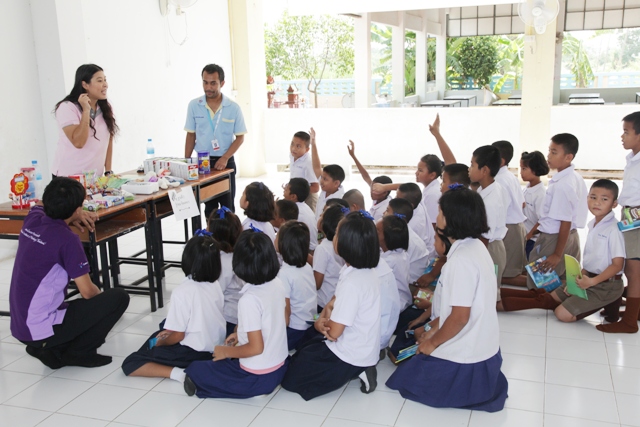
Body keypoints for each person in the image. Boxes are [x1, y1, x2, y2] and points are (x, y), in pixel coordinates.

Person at [386, 187, 508, 413]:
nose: (437, 216)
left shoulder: (460, 260)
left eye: (440, 212)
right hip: (484, 346)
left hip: (469, 353)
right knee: (409, 356)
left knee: (406, 380)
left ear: (452, 219)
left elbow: (460, 317)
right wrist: (431, 328)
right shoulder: (476, 246)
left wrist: (432, 343)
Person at [10, 177, 129, 369]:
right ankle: (78, 353)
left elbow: (40, 203)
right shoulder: (67, 240)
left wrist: (74, 214)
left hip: (20, 324)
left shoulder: (33, 219)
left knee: (72, 307)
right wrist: (102, 305)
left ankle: (49, 348)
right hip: (39, 326)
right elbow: (87, 292)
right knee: (118, 298)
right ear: (76, 209)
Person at [282, 211, 382, 400]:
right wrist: (325, 314)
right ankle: (362, 365)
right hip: (357, 342)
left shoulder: (353, 283)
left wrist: (322, 324)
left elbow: (334, 332)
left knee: (291, 378)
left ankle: (359, 369)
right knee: (305, 349)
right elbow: (335, 301)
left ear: (347, 244)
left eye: (337, 234)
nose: (333, 237)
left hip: (349, 353)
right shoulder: (361, 271)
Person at [501, 180, 625, 323]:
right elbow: (593, 261)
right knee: (547, 297)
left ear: (614, 204)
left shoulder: (614, 229)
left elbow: (617, 265)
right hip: (588, 279)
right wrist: (578, 280)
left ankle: (611, 300)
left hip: (605, 285)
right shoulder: (594, 224)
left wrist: (592, 282)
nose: (597, 202)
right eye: (593, 197)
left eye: (604, 199)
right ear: (587, 198)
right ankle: (498, 297)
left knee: (562, 314)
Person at [184, 230, 288, 398]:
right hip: (280, 367)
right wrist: (240, 334)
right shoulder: (277, 284)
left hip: (257, 377)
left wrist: (226, 352)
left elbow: (256, 348)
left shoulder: (249, 300)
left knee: (196, 369)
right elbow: (272, 322)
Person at [122, 233, 225, 381]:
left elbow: (178, 336)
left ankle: (181, 374)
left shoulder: (182, 291)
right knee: (160, 332)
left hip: (192, 352)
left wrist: (162, 343)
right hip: (215, 346)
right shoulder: (215, 284)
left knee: (131, 362)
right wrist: (169, 332)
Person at [524, 134, 588, 290]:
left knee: (540, 287)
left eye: (554, 152)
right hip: (570, 237)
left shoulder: (563, 185)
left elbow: (565, 221)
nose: (549, 156)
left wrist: (557, 255)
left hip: (555, 239)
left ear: (568, 157)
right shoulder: (574, 177)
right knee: (565, 284)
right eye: (549, 151)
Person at [184, 64, 247, 218]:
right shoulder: (194, 105)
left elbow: (240, 137)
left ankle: (229, 233)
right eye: (205, 82)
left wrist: (225, 157)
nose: (208, 87)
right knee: (209, 208)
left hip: (226, 162)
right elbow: (191, 135)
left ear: (222, 83)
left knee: (227, 207)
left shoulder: (233, 107)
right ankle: (210, 232)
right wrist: (186, 161)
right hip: (203, 162)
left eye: (213, 83)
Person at [597, 112, 640, 333]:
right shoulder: (632, 158)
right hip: (630, 215)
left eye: (626, 132)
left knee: (633, 270)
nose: (622, 136)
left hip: (637, 216)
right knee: (631, 267)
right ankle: (635, 311)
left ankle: (630, 322)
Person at [53, 64, 118, 177]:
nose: (105, 85)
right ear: (85, 85)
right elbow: (79, 142)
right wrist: (86, 111)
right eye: (99, 81)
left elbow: (108, 140)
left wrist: (108, 171)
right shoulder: (67, 107)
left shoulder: (105, 108)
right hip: (68, 178)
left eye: (105, 80)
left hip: (94, 179)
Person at [469, 146, 508, 300]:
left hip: (489, 249)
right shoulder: (487, 188)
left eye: (472, 165)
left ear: (484, 170)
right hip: (488, 246)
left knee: (487, 296)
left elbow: (485, 236)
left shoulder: (491, 200)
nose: (469, 169)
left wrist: (475, 260)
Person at [276, 221, 317, 350]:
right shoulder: (307, 266)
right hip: (309, 323)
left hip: (294, 328)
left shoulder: (284, 274)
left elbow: (286, 312)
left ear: (283, 244)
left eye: (277, 236)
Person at [492, 141, 527, 286]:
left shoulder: (499, 180)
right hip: (515, 227)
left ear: (501, 161)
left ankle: (547, 287)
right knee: (511, 272)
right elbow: (522, 203)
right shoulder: (509, 176)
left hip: (509, 229)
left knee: (506, 275)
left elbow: (498, 210)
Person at [208, 207, 244, 337]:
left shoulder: (222, 260)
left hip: (228, 317)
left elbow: (215, 294)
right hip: (236, 314)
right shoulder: (238, 254)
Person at [385, 199, 429, 285]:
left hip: (411, 284)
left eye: (387, 210)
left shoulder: (403, 239)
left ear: (396, 217)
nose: (383, 213)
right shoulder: (402, 233)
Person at [347, 140, 393, 221]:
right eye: (371, 187)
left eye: (375, 190)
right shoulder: (378, 197)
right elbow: (366, 176)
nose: (371, 191)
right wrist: (353, 156)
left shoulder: (385, 210)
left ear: (385, 192)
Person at [314, 205, 347, 314]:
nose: (319, 216)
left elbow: (317, 283)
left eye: (322, 215)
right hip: (335, 298)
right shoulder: (342, 244)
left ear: (326, 223)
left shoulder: (322, 248)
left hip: (322, 302)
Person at [521, 151, 549, 261]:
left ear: (535, 169)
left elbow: (541, 221)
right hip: (525, 237)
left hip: (533, 240)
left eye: (524, 169)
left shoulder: (540, 194)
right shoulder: (526, 189)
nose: (521, 172)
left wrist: (527, 237)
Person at [396, 183, 434, 255]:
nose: (394, 200)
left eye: (398, 199)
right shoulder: (416, 201)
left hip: (422, 257)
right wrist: (384, 187)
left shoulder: (413, 225)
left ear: (410, 205)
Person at [283, 178, 318, 251]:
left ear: (293, 197)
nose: (284, 191)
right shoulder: (303, 206)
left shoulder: (295, 211)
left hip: (306, 249)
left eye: (286, 189)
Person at [289, 130, 320, 211]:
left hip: (308, 197)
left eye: (298, 146)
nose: (293, 148)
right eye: (292, 144)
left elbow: (316, 188)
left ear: (307, 149)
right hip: (296, 195)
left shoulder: (308, 163)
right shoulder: (292, 155)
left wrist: (297, 190)